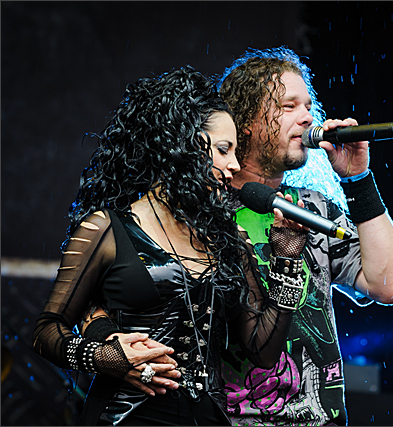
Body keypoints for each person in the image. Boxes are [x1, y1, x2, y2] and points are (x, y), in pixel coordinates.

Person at [32, 65, 311, 426]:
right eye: (223, 150)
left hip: (206, 418)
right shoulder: (107, 228)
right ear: (182, 147)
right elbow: (46, 331)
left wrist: (287, 257)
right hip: (127, 416)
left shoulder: (228, 237)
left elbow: (263, 351)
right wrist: (104, 357)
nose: (234, 165)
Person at [216, 47, 393, 425]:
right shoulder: (208, 213)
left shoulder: (313, 209)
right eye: (288, 106)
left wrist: (357, 179)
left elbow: (391, 286)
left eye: (308, 106)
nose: (307, 117)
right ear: (244, 123)